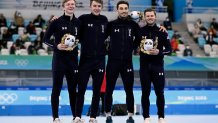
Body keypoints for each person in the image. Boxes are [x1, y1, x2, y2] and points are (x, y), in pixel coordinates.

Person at [43, 0, 81, 123]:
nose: (71, 6)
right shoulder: (56, 22)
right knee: (56, 89)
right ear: (63, 7)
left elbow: (81, 39)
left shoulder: (79, 23)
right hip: (59, 60)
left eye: (73, 4)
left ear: (75, 6)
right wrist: (56, 46)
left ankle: (76, 117)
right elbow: (45, 39)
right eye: (68, 4)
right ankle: (55, 117)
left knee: (72, 89)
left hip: (73, 60)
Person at [104, 1, 140, 123]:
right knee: (109, 89)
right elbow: (100, 38)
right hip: (112, 62)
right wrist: (107, 50)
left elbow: (139, 39)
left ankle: (130, 116)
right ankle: (108, 115)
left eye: (125, 8)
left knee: (129, 90)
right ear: (117, 10)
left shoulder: (133, 25)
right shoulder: (111, 24)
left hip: (127, 62)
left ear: (128, 10)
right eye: (121, 8)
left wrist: (132, 48)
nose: (124, 10)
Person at [73, 0, 108, 123]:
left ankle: (93, 117)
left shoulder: (105, 20)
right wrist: (55, 20)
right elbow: (71, 24)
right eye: (94, 6)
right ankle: (77, 116)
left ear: (102, 7)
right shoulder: (83, 18)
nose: (97, 8)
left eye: (99, 6)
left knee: (97, 91)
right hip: (85, 61)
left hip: (99, 61)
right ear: (90, 6)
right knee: (81, 89)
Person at [137, 8, 172, 123]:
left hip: (158, 67)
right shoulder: (140, 31)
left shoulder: (162, 31)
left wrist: (159, 52)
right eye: (147, 16)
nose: (150, 17)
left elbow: (169, 50)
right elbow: (132, 44)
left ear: (155, 16)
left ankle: (161, 117)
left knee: (159, 93)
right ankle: (146, 117)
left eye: (152, 15)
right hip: (144, 67)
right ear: (145, 17)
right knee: (145, 92)